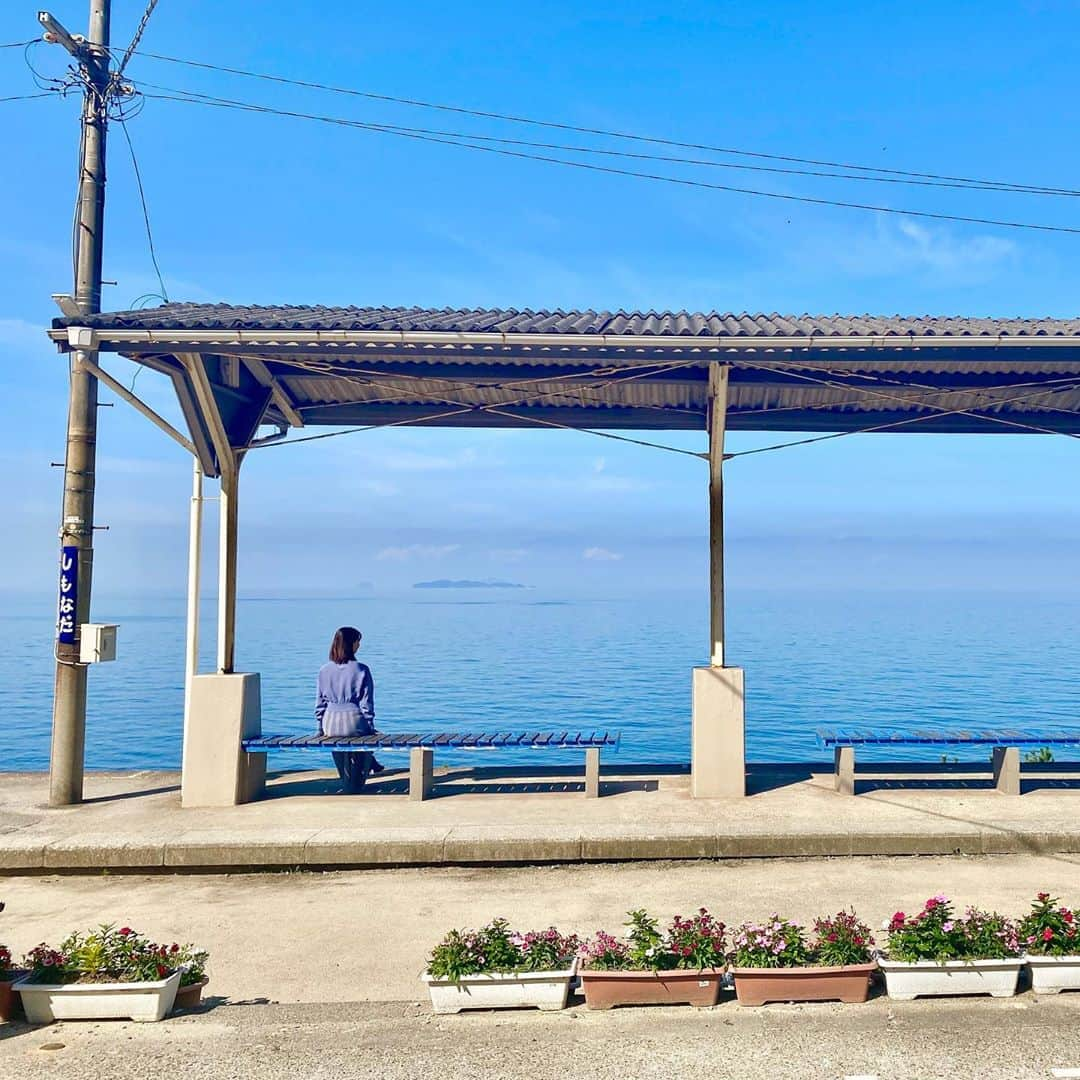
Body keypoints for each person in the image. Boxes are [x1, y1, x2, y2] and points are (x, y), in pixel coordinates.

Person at [315, 626, 381, 793]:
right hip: (354, 720)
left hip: (329, 721)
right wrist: (370, 726)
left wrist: (320, 727)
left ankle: (345, 777)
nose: (359, 645)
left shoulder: (324, 670)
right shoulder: (361, 669)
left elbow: (320, 702)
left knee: (336, 739)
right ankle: (361, 776)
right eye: (358, 641)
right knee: (369, 737)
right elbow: (367, 703)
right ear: (351, 644)